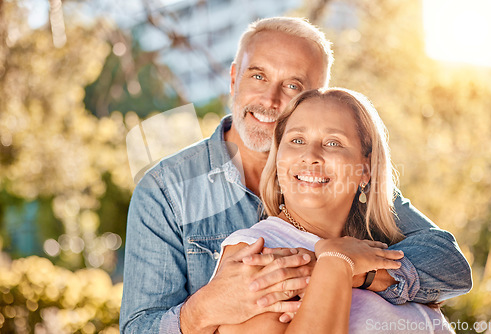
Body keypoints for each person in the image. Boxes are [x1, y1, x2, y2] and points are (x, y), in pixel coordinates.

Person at [120, 17, 472, 334]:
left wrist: (355, 271)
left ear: (317, 96)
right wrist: (204, 309)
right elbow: (139, 327)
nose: (270, 99)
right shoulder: (167, 191)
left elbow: (449, 266)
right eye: (258, 76)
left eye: (292, 85)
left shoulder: (346, 182)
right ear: (233, 78)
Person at [214, 88, 455, 334]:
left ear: (365, 169)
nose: (310, 156)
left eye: (333, 143)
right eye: (297, 140)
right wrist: (335, 264)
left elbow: (456, 270)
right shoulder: (257, 251)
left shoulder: (383, 247)